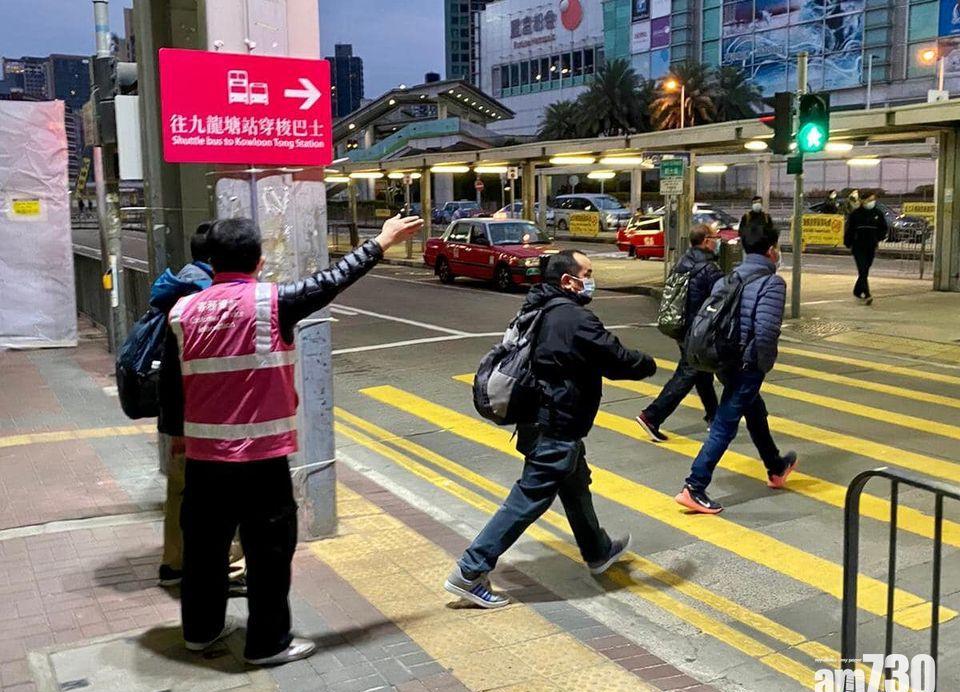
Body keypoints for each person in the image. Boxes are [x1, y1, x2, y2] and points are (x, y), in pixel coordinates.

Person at [160, 213, 423, 664]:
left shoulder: (182, 311)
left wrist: (178, 440)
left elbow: (171, 383)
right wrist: (381, 241)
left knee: (204, 552)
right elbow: (332, 280)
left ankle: (200, 632)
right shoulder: (271, 303)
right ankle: (267, 643)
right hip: (262, 462)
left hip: (205, 461)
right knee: (269, 554)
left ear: (210, 261)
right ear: (259, 262)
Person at [444, 250, 657, 608]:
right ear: (568, 281)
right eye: (587, 273)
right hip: (556, 424)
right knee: (528, 499)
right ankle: (469, 571)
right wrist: (648, 363)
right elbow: (616, 359)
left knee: (575, 486)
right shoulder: (573, 318)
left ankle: (597, 550)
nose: (592, 279)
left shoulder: (539, 307)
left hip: (540, 419)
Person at [676, 226, 798, 515]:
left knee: (755, 411)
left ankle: (776, 466)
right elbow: (766, 331)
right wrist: (762, 365)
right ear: (771, 250)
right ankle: (694, 486)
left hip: (724, 361)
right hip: (747, 364)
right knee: (724, 424)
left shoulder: (729, 277)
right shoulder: (772, 283)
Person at [152, 222, 215, 587]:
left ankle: (173, 564)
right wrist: (179, 428)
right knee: (201, 494)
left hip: (181, 415)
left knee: (179, 492)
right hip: (193, 418)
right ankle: (215, 568)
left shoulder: (182, 282)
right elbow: (179, 367)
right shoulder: (198, 293)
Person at [636, 225, 724, 442]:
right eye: (715, 237)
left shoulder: (683, 262)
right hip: (698, 331)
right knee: (688, 373)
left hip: (681, 327)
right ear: (705, 241)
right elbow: (721, 299)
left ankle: (715, 417)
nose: (717, 241)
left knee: (701, 373)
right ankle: (652, 416)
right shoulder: (708, 268)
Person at [844, 191, 887, 305]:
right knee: (862, 269)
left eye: (873, 200)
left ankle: (857, 290)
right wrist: (848, 242)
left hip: (871, 246)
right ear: (863, 201)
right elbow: (849, 230)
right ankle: (867, 294)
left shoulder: (877, 213)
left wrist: (878, 238)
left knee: (865, 270)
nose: (871, 202)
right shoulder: (855, 214)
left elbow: (884, 228)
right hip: (858, 246)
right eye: (869, 200)